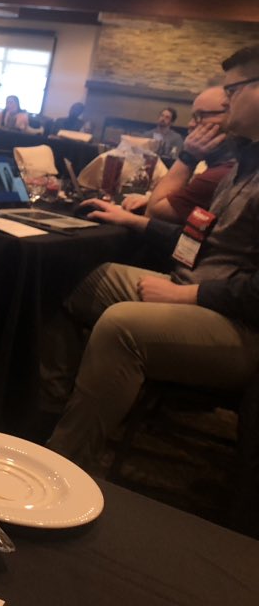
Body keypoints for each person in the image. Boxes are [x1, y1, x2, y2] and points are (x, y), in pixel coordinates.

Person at [42, 45, 259, 469]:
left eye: (233, 90)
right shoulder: (244, 162)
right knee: (65, 276)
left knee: (121, 326)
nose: (225, 100)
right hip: (198, 289)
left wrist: (192, 296)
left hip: (242, 325)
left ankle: (63, 466)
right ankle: (47, 412)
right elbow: (198, 240)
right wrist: (135, 223)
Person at [114, 86, 235, 222]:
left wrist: (188, 157)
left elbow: (155, 213)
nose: (190, 124)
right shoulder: (225, 166)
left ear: (233, 114)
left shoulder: (222, 173)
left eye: (200, 116)